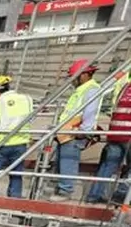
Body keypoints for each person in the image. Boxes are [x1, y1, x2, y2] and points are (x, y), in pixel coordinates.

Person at [51, 59, 103, 201]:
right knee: (62, 161)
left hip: (74, 133)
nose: (72, 81)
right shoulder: (81, 90)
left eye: (75, 77)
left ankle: (65, 190)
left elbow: (90, 112)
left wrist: (83, 131)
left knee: (69, 161)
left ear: (84, 75)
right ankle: (60, 187)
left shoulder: (91, 89)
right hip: (67, 132)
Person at [0, 75, 33, 198]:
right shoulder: (26, 99)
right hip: (20, 143)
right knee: (16, 173)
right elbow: (31, 118)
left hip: (1, 143)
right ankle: (14, 198)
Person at [87, 68, 131, 203]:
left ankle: (94, 196)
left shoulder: (125, 87)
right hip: (128, 134)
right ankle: (121, 194)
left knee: (108, 165)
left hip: (115, 133)